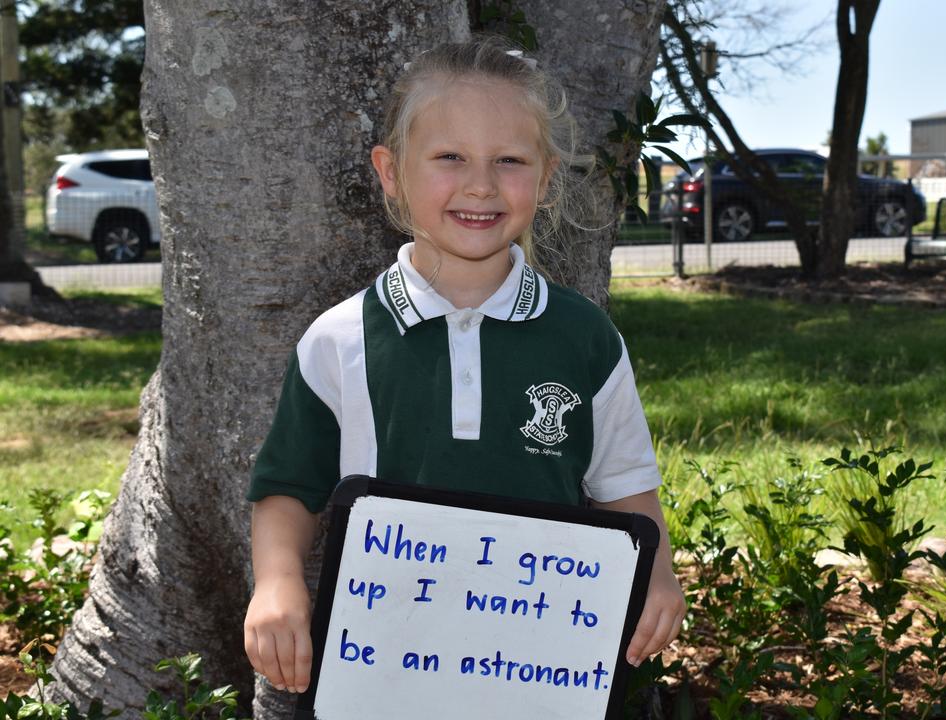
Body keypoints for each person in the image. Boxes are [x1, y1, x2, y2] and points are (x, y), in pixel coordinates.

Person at [241, 36, 684, 695]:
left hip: (541, 670)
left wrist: (658, 575)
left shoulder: (585, 337)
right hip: (379, 667)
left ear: (546, 176)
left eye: (509, 160)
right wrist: (276, 583)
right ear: (391, 171)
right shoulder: (337, 340)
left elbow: (625, 486)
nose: (480, 184)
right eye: (449, 158)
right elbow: (288, 487)